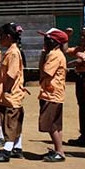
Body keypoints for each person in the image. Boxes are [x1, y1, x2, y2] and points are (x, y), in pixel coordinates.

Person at [0, 23, 25, 162]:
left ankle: (6, 151)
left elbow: (11, 74)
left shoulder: (13, 53)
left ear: (8, 37)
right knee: (14, 122)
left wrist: (6, 90)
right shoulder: (10, 51)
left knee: (10, 122)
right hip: (11, 94)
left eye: (1, 37)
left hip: (11, 94)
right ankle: (17, 147)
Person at [37, 28, 68, 162]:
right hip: (54, 93)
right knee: (55, 124)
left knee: (50, 124)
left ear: (55, 42)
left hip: (51, 94)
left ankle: (59, 151)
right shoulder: (54, 54)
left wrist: (43, 55)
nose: (45, 42)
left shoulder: (54, 55)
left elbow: (45, 72)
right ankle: (58, 149)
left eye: (48, 39)